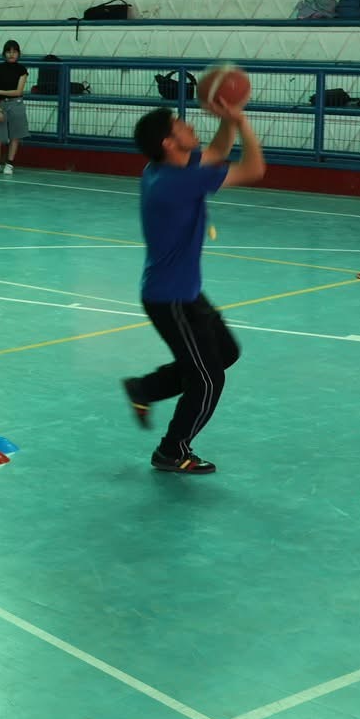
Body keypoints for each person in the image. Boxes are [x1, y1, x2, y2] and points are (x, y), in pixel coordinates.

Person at [125, 98, 266, 474]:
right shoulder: (179, 181)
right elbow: (254, 168)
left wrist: (228, 120)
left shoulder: (161, 168)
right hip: (170, 299)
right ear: (170, 143)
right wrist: (241, 121)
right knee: (207, 380)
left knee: (224, 353)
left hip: (182, 292)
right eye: (180, 124)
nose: (189, 125)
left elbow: (217, 151)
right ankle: (172, 451)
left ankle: (146, 389)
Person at [0, 40, 30, 174]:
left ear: (18, 54)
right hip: (1, 104)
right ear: (4, 54)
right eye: (8, 51)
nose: (11, 54)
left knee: (15, 135)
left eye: (14, 52)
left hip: (16, 103)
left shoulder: (22, 70)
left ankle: (9, 163)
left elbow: (18, 91)